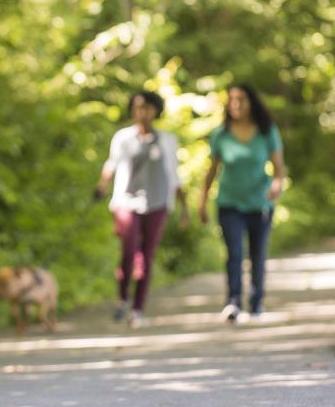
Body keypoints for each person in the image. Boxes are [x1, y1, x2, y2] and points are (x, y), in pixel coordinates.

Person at [95, 90, 188, 328]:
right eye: (138, 107)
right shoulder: (123, 138)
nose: (142, 112)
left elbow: (174, 174)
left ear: (156, 110)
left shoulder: (167, 140)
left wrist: (184, 205)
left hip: (157, 202)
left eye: (147, 107)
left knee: (146, 256)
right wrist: (102, 185)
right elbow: (111, 164)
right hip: (127, 202)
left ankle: (137, 309)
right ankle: (123, 297)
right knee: (128, 251)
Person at [198, 84, 286, 322]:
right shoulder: (221, 135)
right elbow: (211, 171)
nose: (236, 104)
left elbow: (279, 170)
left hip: (260, 203)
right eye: (232, 100)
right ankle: (233, 301)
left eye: (241, 99)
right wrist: (202, 199)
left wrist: (277, 186)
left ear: (252, 103)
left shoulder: (267, 132)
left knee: (258, 255)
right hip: (229, 203)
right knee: (235, 253)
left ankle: (256, 303)